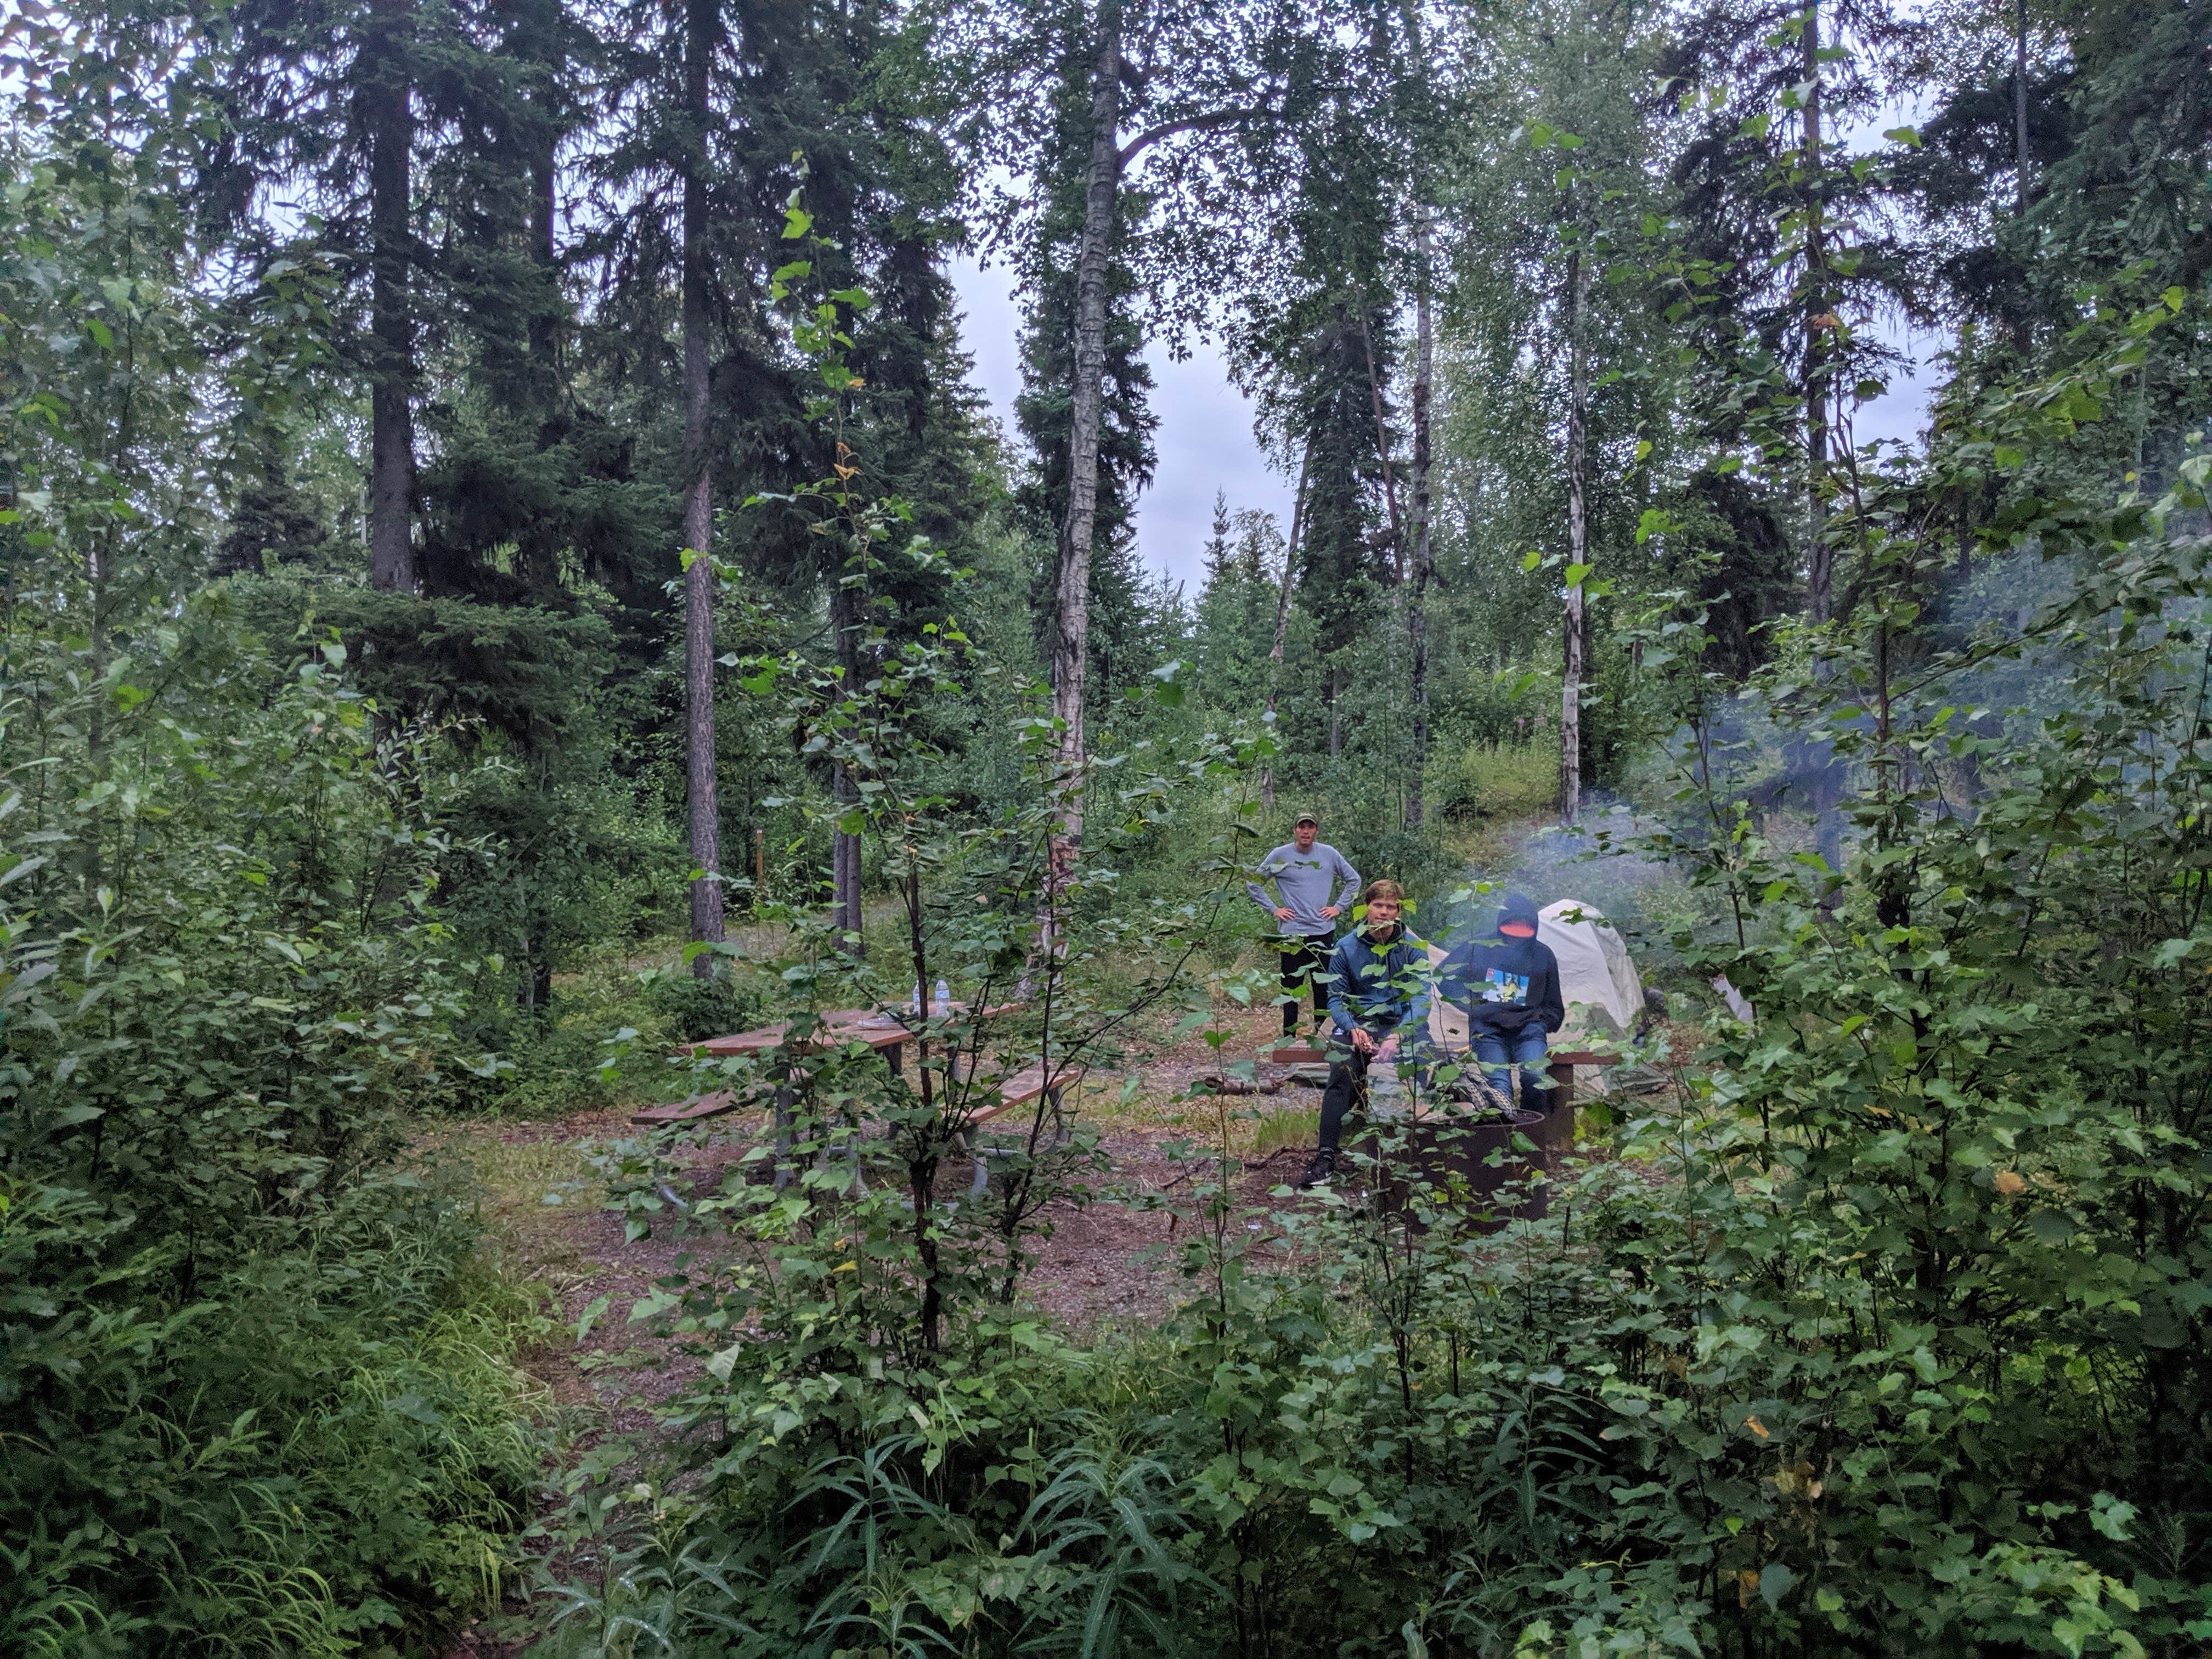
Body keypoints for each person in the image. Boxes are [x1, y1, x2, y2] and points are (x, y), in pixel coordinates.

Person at [1297, 879, 1426, 1190]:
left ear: (1399, 911)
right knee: (1342, 1073)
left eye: (1390, 906)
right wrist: (1353, 1027)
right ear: (1367, 908)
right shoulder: (1346, 946)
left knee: (1423, 1067)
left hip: (1400, 1022)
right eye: (1378, 905)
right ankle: (1326, 1158)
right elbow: (1335, 998)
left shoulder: (1411, 947)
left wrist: (1398, 1035)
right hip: (1358, 1024)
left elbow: (1421, 999)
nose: (1384, 912)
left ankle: (1420, 1155)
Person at [1409, 890, 1565, 1109]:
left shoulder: (1543, 955)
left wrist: (1540, 1019)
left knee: (1536, 1078)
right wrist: (1473, 1006)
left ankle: (1534, 1132)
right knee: (1498, 1087)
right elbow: (1444, 977)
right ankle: (1504, 1138)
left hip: (1529, 1030)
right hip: (1488, 1030)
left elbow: (1555, 1007)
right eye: (1513, 925)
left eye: (1524, 926)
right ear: (1503, 923)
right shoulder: (1479, 946)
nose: (1517, 933)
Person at [1245, 812, 1361, 1039]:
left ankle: (1324, 1035)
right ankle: (1289, 1037)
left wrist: (1339, 907)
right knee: (1291, 987)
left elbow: (1353, 880)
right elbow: (1254, 883)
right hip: (1292, 934)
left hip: (1322, 931)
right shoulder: (1280, 855)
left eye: (1310, 827)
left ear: (1316, 830)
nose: (1306, 831)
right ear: (1295, 831)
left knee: (1324, 988)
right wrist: (1274, 909)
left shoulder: (1328, 854)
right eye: (1302, 827)